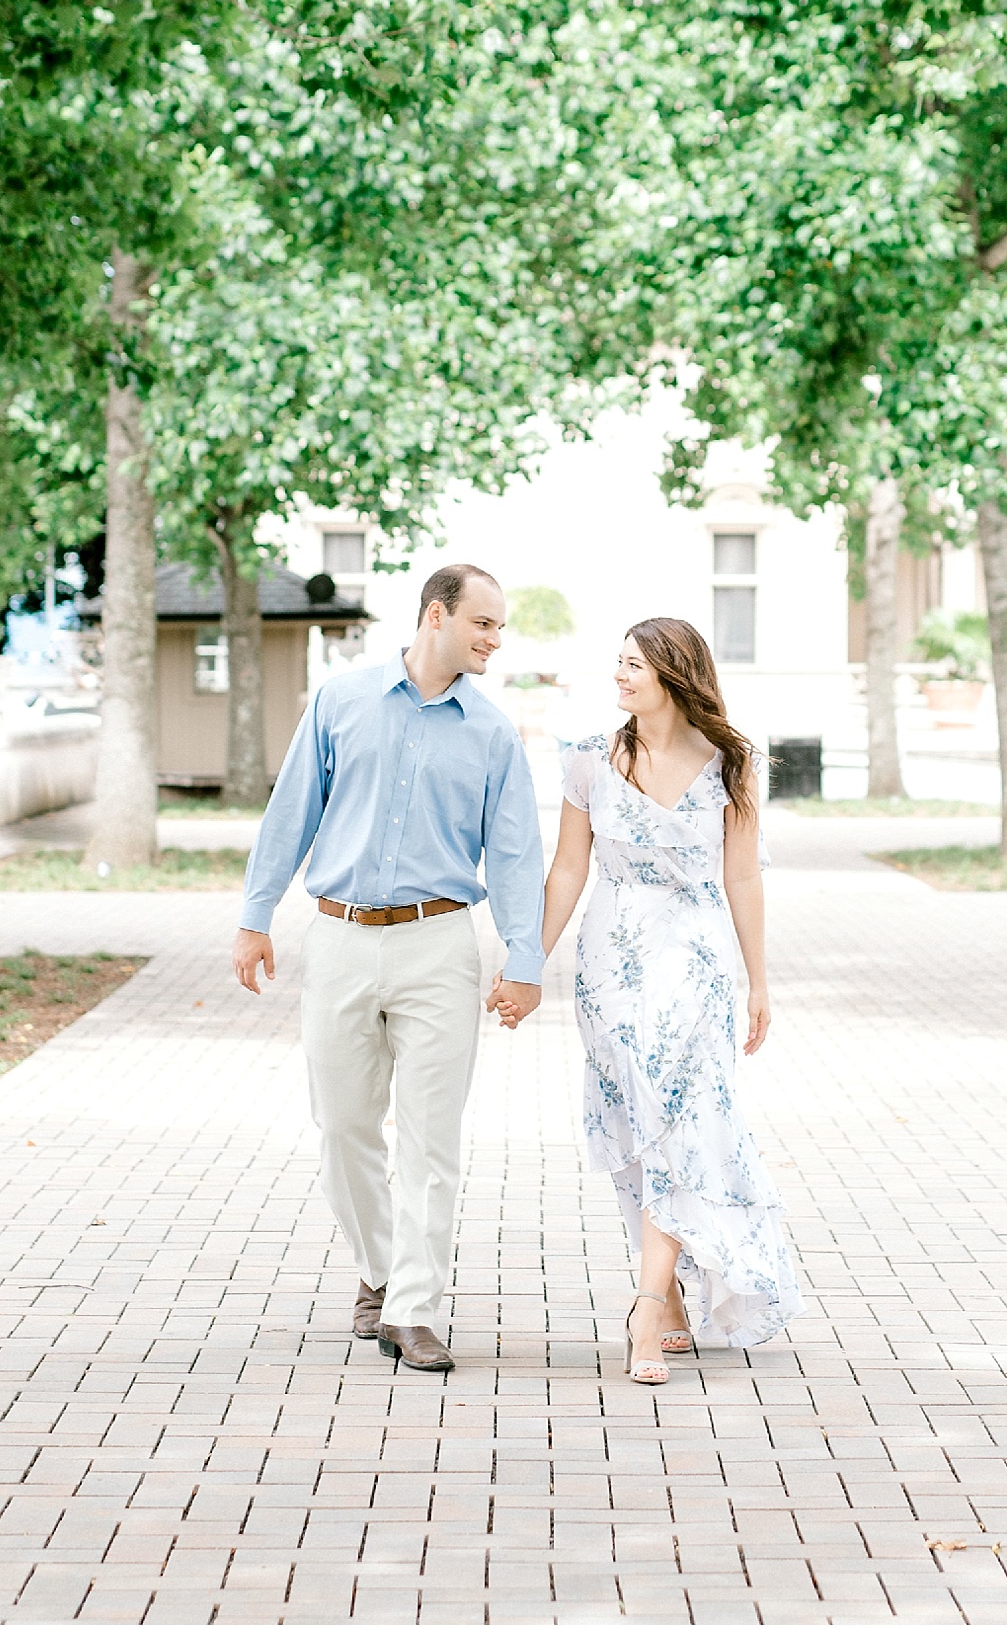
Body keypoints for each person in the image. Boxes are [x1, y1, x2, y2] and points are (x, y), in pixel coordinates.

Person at [233, 564, 543, 1374]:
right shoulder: (342, 701)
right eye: (483, 623)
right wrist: (254, 915)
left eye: (499, 626)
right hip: (336, 938)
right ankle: (379, 1267)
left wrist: (526, 958)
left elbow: (513, 854)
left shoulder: (492, 732)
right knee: (342, 1127)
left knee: (431, 1140)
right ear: (435, 616)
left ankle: (412, 1309)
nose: (494, 640)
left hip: (439, 944)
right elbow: (291, 810)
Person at [534, 616, 802, 1382]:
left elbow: (742, 876)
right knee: (636, 1124)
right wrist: (527, 961)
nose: (619, 678)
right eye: (617, 664)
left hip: (697, 963)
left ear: (674, 676)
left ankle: (647, 1308)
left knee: (684, 1117)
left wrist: (758, 980)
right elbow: (566, 872)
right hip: (611, 965)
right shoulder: (589, 761)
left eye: (634, 667)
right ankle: (671, 1292)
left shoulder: (734, 764)